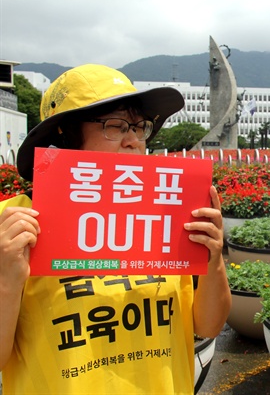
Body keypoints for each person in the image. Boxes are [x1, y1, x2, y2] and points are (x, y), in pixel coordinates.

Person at [0, 64, 232, 394]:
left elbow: (208, 325)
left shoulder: (167, 215)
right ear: (65, 134)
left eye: (140, 128)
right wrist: (6, 280)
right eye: (116, 126)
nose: (133, 141)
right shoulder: (13, 224)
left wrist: (213, 258)